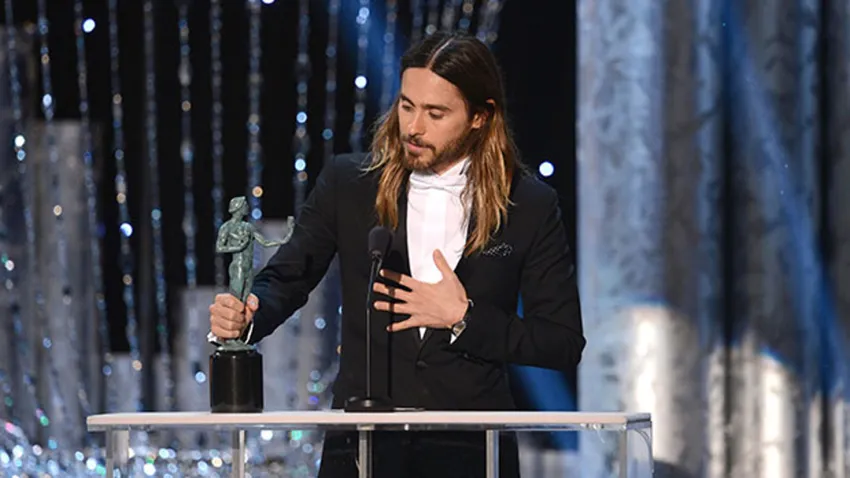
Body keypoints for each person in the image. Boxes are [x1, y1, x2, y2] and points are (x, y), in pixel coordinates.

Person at [208, 30, 585, 478]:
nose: (413, 127)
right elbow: (288, 276)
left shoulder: (528, 206)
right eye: (407, 106)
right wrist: (249, 316)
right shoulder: (350, 184)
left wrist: (463, 316)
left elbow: (560, 342)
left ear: (481, 117)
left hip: (470, 448)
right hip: (363, 445)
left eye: (435, 113)